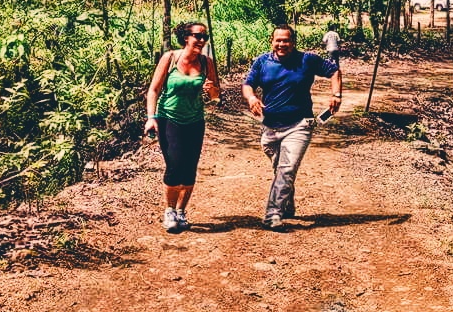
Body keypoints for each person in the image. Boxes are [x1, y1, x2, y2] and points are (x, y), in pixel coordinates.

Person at [242, 24, 342, 231]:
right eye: (278, 40)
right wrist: (251, 98)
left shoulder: (307, 60)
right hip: (269, 126)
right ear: (272, 41)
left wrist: (336, 95)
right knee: (280, 168)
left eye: (286, 40)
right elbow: (248, 83)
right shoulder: (262, 62)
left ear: (293, 42)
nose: (282, 44)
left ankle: (273, 214)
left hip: (300, 125)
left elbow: (334, 71)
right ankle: (286, 204)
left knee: (286, 169)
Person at [145, 22, 220, 233]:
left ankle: (181, 211)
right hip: (169, 119)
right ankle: (169, 210)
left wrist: (211, 89)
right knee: (175, 166)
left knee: (189, 169)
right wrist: (151, 117)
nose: (202, 41)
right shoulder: (170, 58)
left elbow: (215, 97)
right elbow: (153, 90)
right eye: (198, 36)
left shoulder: (207, 63)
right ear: (186, 37)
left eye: (204, 37)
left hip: (195, 121)